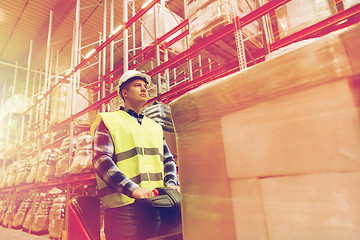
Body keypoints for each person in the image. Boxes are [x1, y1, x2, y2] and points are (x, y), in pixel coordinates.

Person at [91, 70, 179, 240]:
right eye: (138, 86)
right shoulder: (109, 120)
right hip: (123, 206)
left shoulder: (154, 126)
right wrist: (132, 189)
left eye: (145, 86)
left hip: (155, 202)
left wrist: (171, 184)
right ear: (125, 93)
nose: (144, 89)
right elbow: (101, 160)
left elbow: (168, 159)